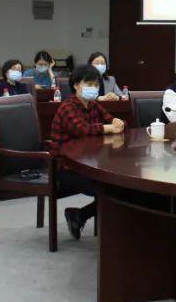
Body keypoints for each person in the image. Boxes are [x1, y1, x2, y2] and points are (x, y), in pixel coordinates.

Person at [51, 64, 126, 239]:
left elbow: (111, 121)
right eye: (89, 84)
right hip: (65, 167)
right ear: (77, 85)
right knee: (111, 189)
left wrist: (118, 122)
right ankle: (83, 218)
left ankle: (79, 215)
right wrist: (108, 128)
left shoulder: (93, 105)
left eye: (96, 85)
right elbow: (82, 130)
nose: (93, 88)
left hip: (87, 163)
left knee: (119, 187)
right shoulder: (67, 107)